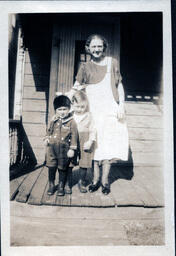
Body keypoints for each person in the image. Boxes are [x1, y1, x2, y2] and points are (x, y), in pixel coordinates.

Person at [70, 34, 129, 195]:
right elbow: (76, 87)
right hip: (93, 111)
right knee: (95, 146)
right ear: (88, 48)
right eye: (93, 46)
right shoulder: (84, 66)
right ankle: (95, 180)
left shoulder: (112, 62)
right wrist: (65, 99)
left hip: (110, 110)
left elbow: (119, 86)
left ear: (104, 47)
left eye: (99, 46)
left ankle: (105, 182)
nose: (96, 49)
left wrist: (121, 105)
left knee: (108, 146)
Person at [44, 95, 78, 196]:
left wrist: (72, 148)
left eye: (65, 109)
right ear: (55, 110)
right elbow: (48, 132)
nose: (62, 112)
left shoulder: (72, 122)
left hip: (64, 150)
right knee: (51, 167)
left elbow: (74, 136)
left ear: (69, 109)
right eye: (59, 109)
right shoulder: (53, 121)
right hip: (52, 150)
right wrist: (46, 138)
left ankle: (61, 186)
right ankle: (51, 185)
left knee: (62, 168)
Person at [72, 90, 96, 193]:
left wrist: (90, 141)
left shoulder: (89, 116)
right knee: (69, 160)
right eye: (78, 107)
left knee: (85, 161)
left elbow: (93, 129)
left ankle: (81, 181)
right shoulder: (70, 115)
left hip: (85, 139)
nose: (80, 109)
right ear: (73, 105)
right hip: (72, 139)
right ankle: (67, 181)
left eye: (83, 107)